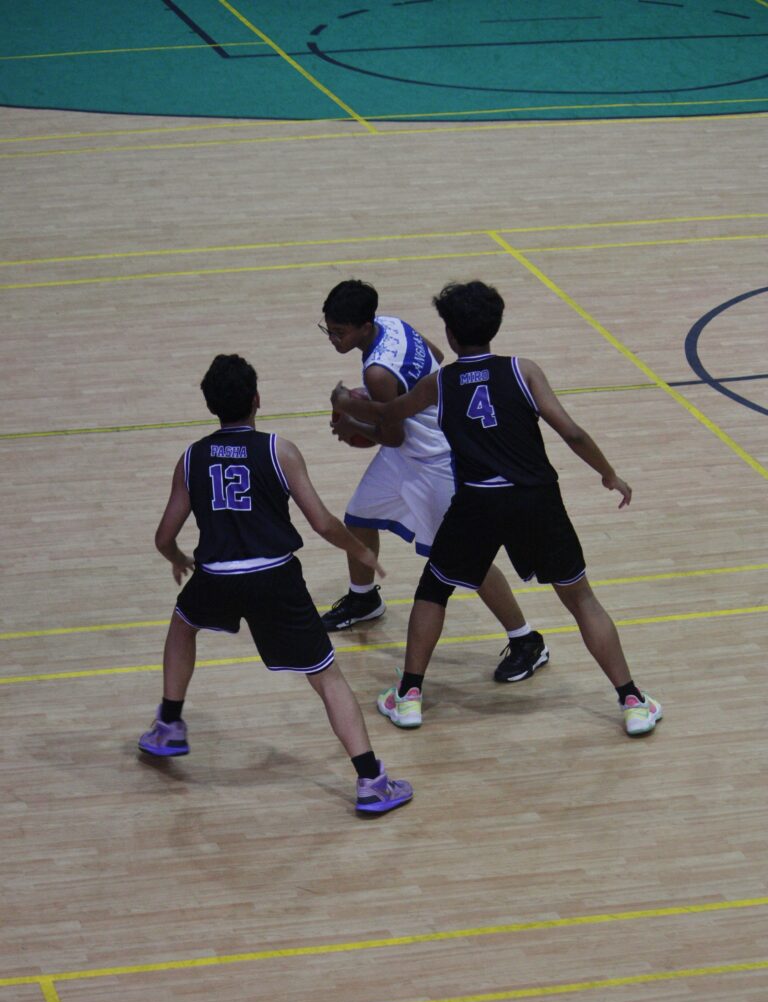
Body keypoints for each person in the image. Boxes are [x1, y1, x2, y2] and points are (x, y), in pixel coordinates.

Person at [331, 281, 662, 738]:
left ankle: (408, 696)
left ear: (450, 333)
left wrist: (345, 403)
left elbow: (390, 417)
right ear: (495, 325)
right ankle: (632, 700)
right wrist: (608, 474)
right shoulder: (524, 370)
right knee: (581, 599)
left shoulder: (439, 383)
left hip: (478, 501)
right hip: (536, 498)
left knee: (433, 591)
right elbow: (572, 433)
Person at [137, 353, 413, 814]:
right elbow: (322, 522)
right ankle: (370, 780)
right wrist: (361, 551)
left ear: (211, 406)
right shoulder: (278, 451)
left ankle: (168, 724)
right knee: (326, 676)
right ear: (257, 399)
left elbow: (164, 536)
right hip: (274, 578)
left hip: (217, 576)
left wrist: (177, 558)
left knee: (183, 625)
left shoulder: (192, 457)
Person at [318, 279, 549, 727]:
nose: (333, 339)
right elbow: (438, 358)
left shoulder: (377, 373)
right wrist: (386, 403)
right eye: (328, 329)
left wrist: (353, 420)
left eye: (339, 332)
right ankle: (364, 600)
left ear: (364, 326)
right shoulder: (394, 325)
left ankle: (527, 640)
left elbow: (391, 434)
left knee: (469, 559)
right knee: (359, 516)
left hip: (435, 462)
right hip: (407, 456)